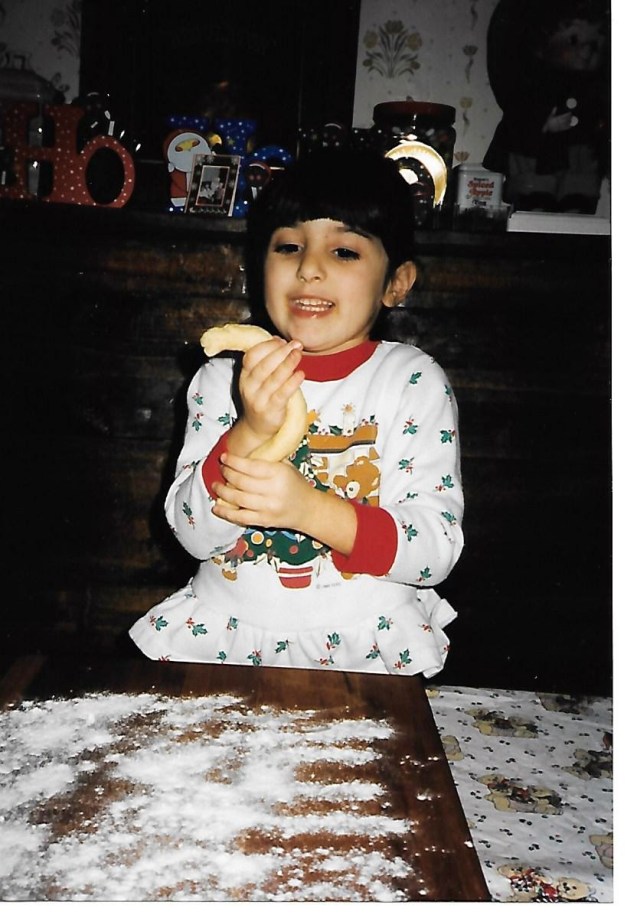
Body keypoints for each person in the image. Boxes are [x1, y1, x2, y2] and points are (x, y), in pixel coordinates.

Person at [129, 149, 464, 676]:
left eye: (345, 252)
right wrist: (250, 428)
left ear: (397, 283)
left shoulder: (412, 382)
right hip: (226, 641)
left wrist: (308, 511)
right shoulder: (223, 379)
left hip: (364, 649)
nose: (309, 268)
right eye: (289, 246)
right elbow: (191, 531)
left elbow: (434, 549)